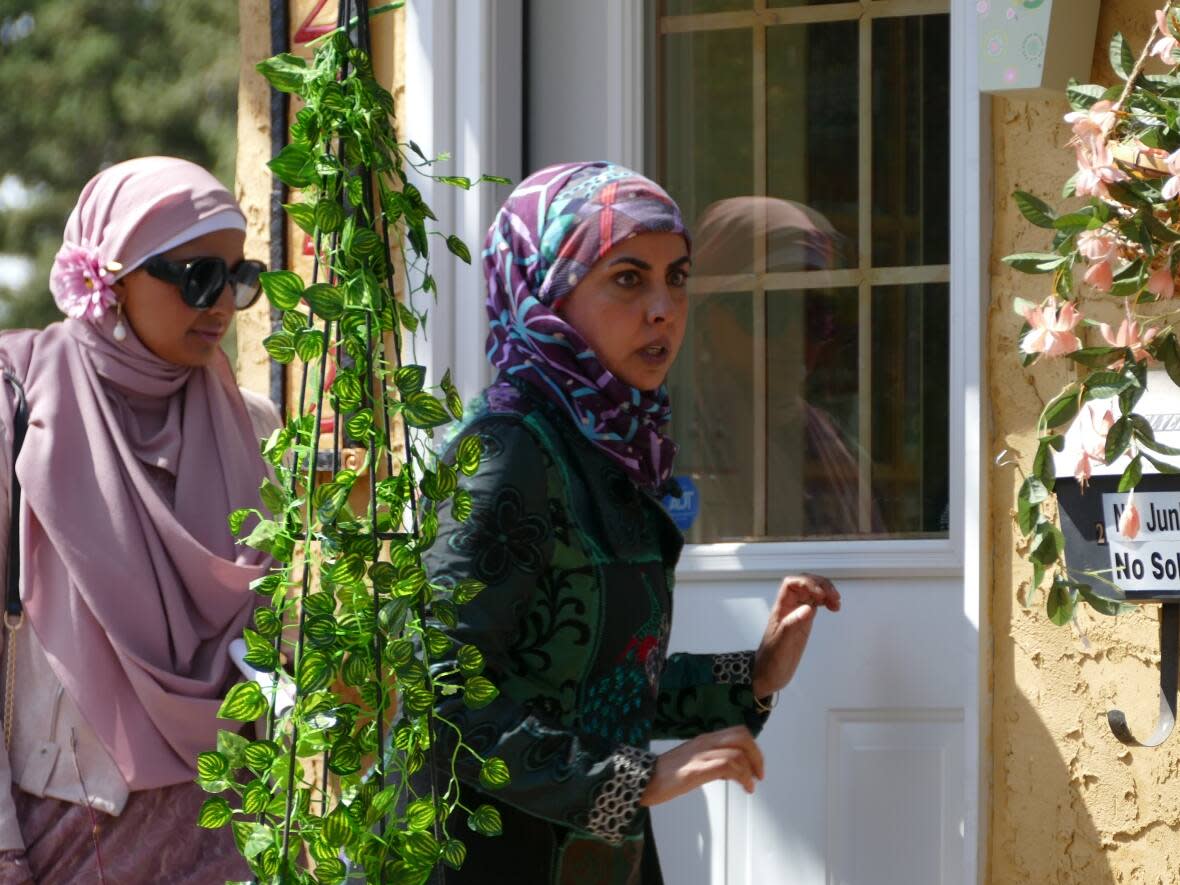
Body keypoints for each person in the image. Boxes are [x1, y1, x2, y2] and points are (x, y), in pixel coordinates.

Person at [421, 162, 841, 884]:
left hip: (597, 858)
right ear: (548, 286)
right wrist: (636, 778)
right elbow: (443, 698)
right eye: (627, 278)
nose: (663, 308)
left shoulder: (608, 448)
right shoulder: (507, 450)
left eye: (676, 277)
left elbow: (597, 680)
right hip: (489, 858)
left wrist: (753, 674)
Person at [0, 156, 281, 883]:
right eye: (195, 276)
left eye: (238, 278)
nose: (220, 303)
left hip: (222, 824)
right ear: (113, 275)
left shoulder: (251, 427)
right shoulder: (19, 407)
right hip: (70, 823)